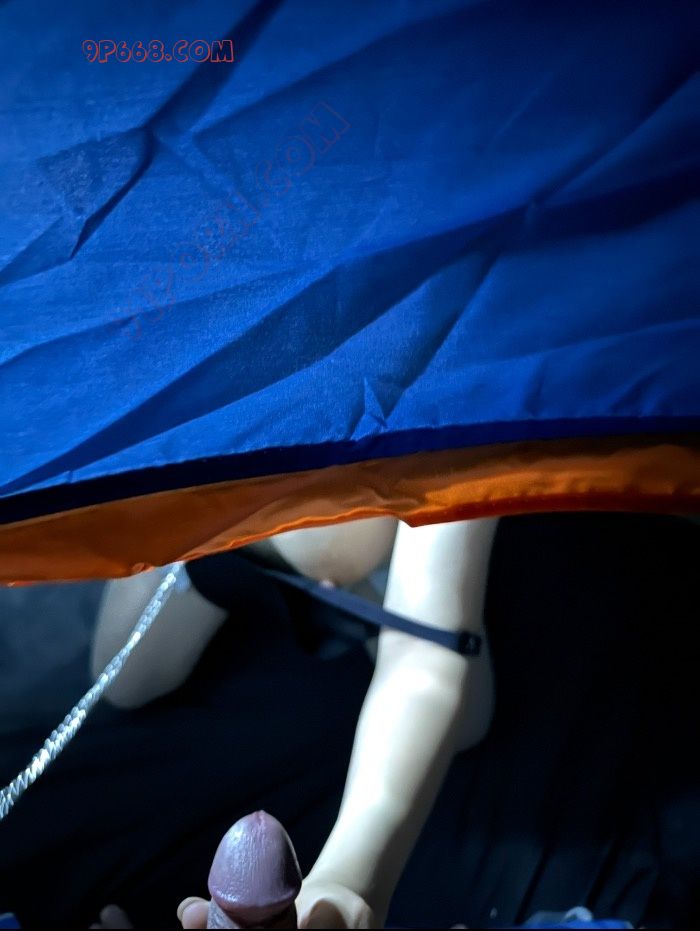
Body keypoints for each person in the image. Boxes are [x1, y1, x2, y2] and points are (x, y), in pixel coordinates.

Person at [91, 517, 498, 928]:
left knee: (467, 722)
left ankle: (361, 584)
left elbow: (424, 661)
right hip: (205, 542)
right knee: (123, 682)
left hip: (387, 572)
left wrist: (348, 880)